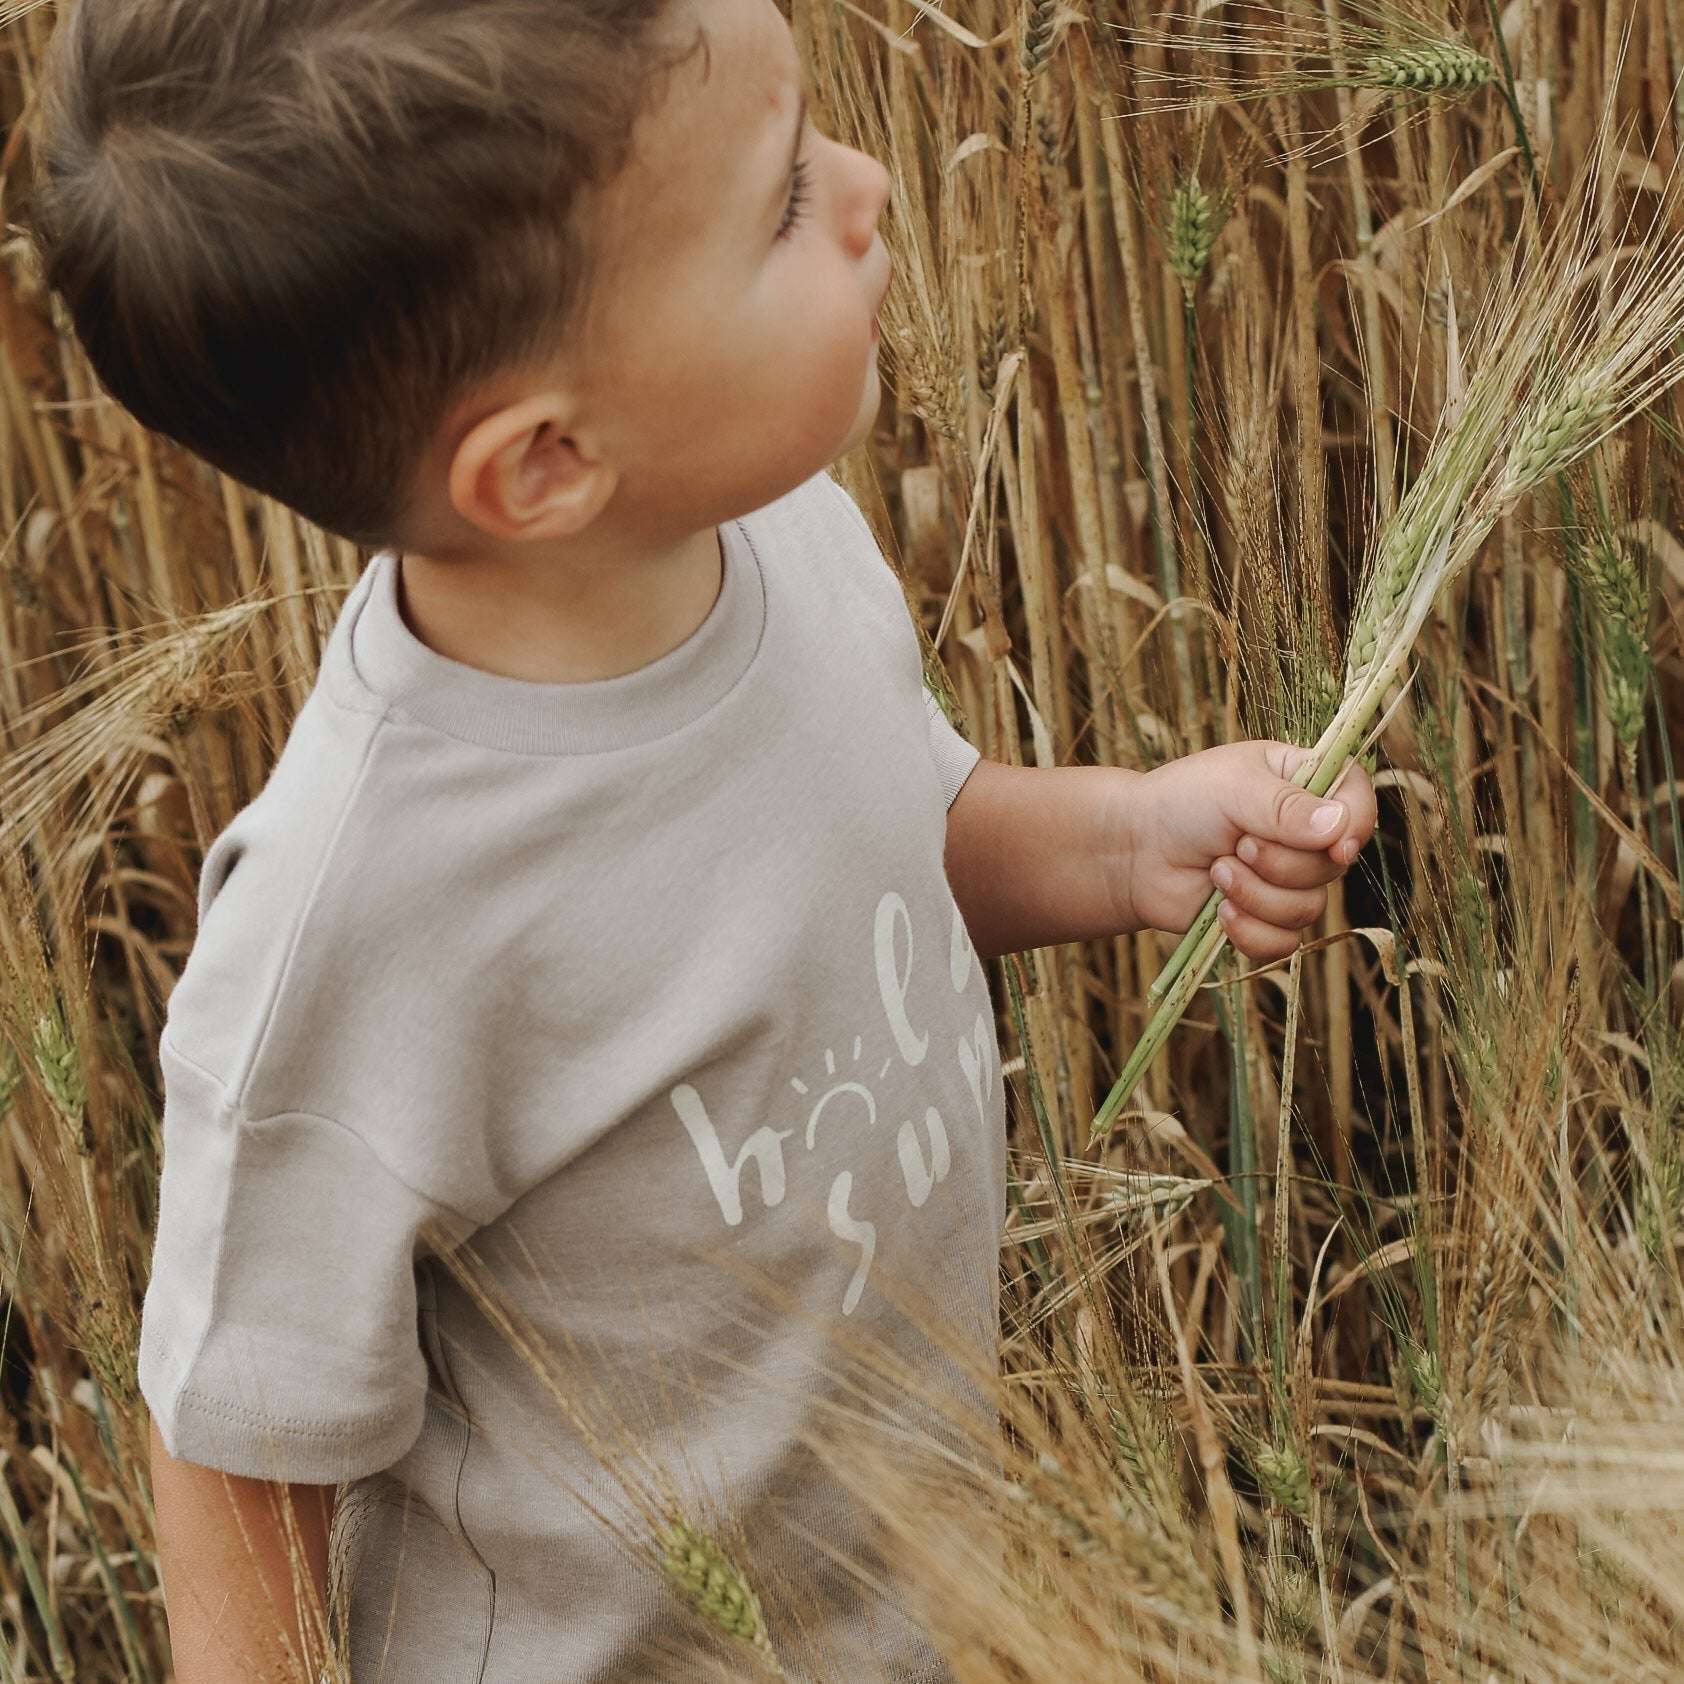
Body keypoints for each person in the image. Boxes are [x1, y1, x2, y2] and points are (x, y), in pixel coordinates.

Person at [23, 0, 1377, 1678]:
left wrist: (1132, 842)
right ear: (547, 464)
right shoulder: (365, 915)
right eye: (784, 201)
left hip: (897, 1614)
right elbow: (242, 1435)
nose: (870, 185)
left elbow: (887, 841)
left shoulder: (777, 535)